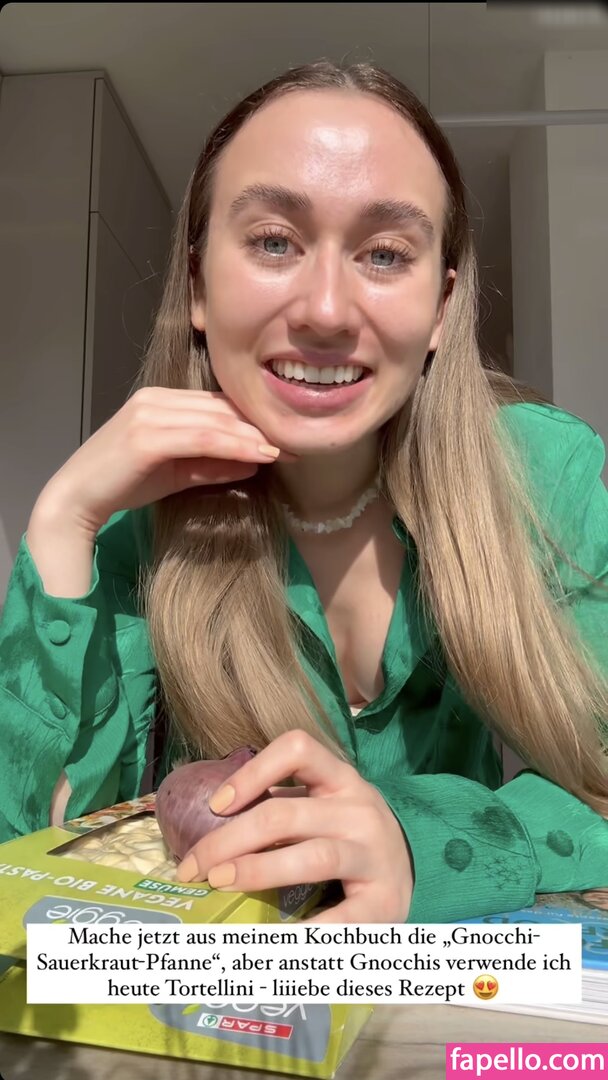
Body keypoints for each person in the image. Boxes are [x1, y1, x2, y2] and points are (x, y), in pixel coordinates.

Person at [1, 60, 607, 925]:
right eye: (274, 242)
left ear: (440, 310)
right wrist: (64, 520)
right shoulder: (140, 532)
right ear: (198, 285)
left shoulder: (542, 477)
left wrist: (418, 841)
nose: (326, 310)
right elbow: (42, 852)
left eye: (385, 254)